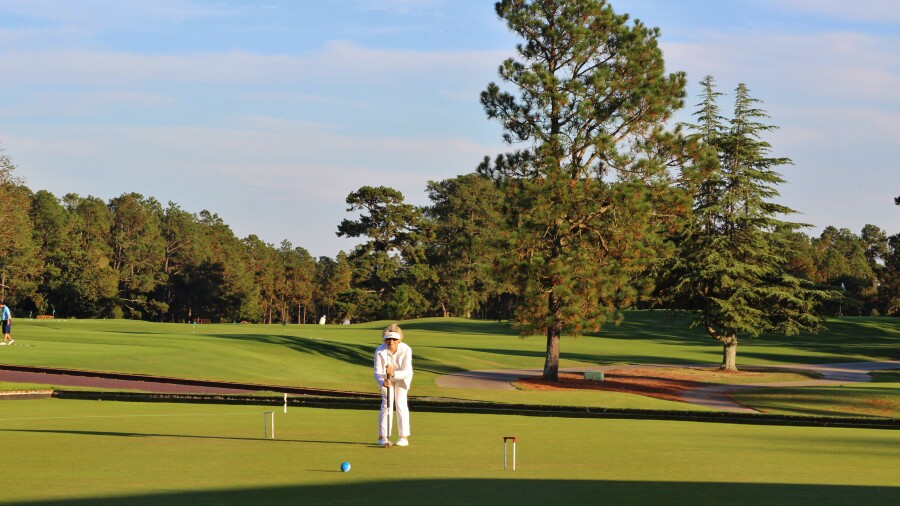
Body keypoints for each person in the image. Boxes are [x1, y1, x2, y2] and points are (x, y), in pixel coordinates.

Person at [373, 323, 413, 447]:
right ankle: (383, 436)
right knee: (387, 404)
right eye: (388, 339)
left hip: (402, 378)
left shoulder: (406, 349)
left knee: (400, 403)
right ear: (384, 339)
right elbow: (377, 372)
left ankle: (403, 437)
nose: (391, 341)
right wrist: (383, 382)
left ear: (399, 339)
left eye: (394, 339)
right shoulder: (379, 350)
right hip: (386, 379)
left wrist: (394, 373)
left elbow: (407, 370)